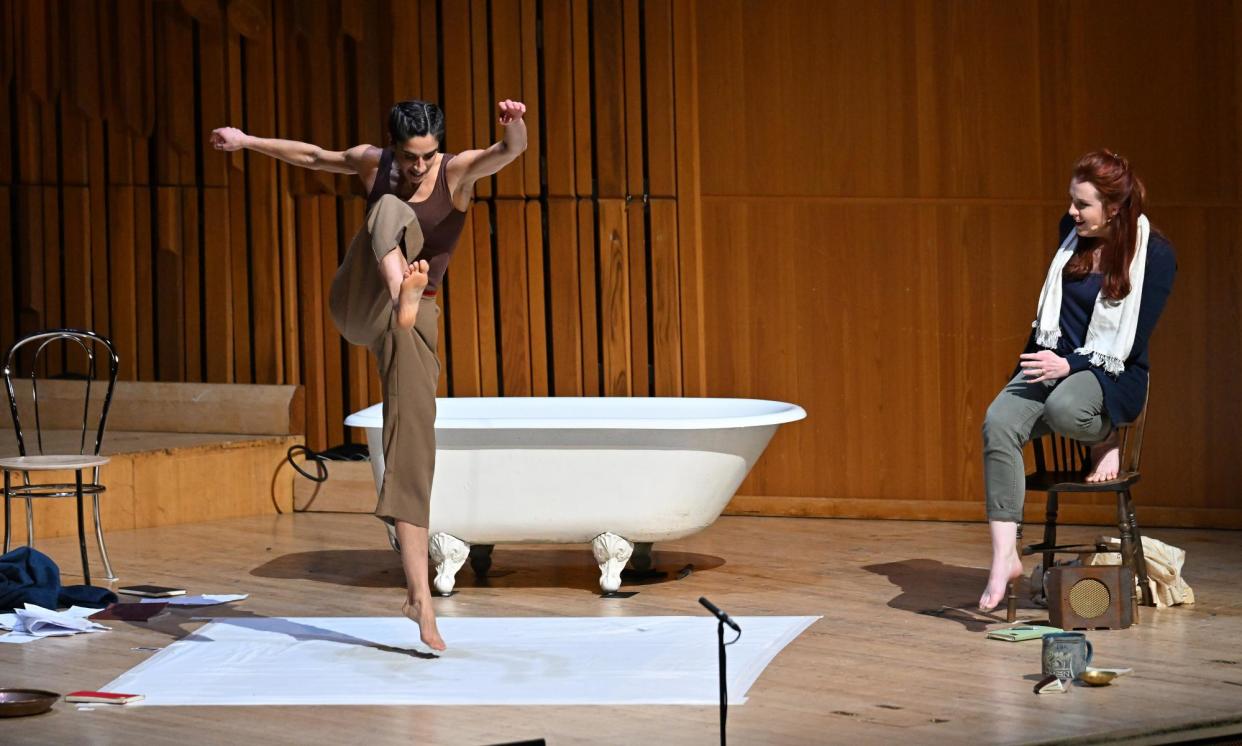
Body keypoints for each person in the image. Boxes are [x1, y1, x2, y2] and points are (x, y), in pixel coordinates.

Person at [210, 99, 528, 649]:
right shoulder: (373, 165)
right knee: (388, 209)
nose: (419, 168)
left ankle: (419, 597)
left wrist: (514, 122)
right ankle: (398, 289)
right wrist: (247, 141)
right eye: (409, 158)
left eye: (427, 157)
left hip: (414, 314)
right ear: (394, 147)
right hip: (363, 299)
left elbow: (510, 151)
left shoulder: (456, 172)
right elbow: (311, 157)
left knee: (412, 445)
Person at [977, 150, 1176, 613]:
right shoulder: (1072, 236)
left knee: (1065, 408)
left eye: (1082, 204)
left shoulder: (1157, 255)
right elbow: (1055, 318)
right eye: (1072, 200)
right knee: (997, 422)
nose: (1071, 212)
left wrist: (1069, 366)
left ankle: (1102, 435)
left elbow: (1131, 340)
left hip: (1111, 371)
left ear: (1114, 208)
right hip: (1052, 359)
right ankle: (1004, 555)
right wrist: (1046, 364)